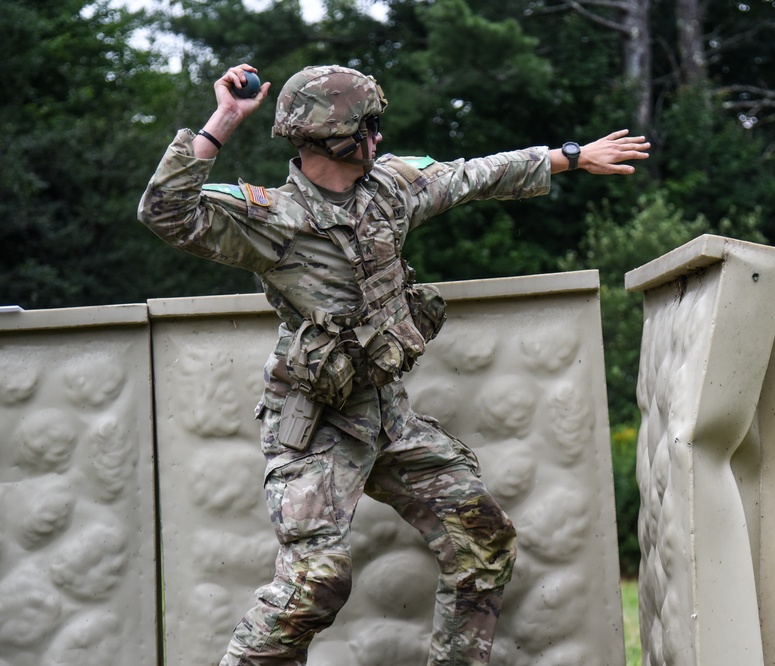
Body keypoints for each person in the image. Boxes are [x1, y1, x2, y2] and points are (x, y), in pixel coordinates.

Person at [138, 63, 649, 666]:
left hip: (387, 420)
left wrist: (571, 156)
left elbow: (472, 176)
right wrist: (224, 118)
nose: (379, 138)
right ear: (336, 138)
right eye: (370, 126)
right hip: (316, 428)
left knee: (483, 541)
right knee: (313, 585)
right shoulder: (270, 219)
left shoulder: (389, 189)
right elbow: (165, 212)